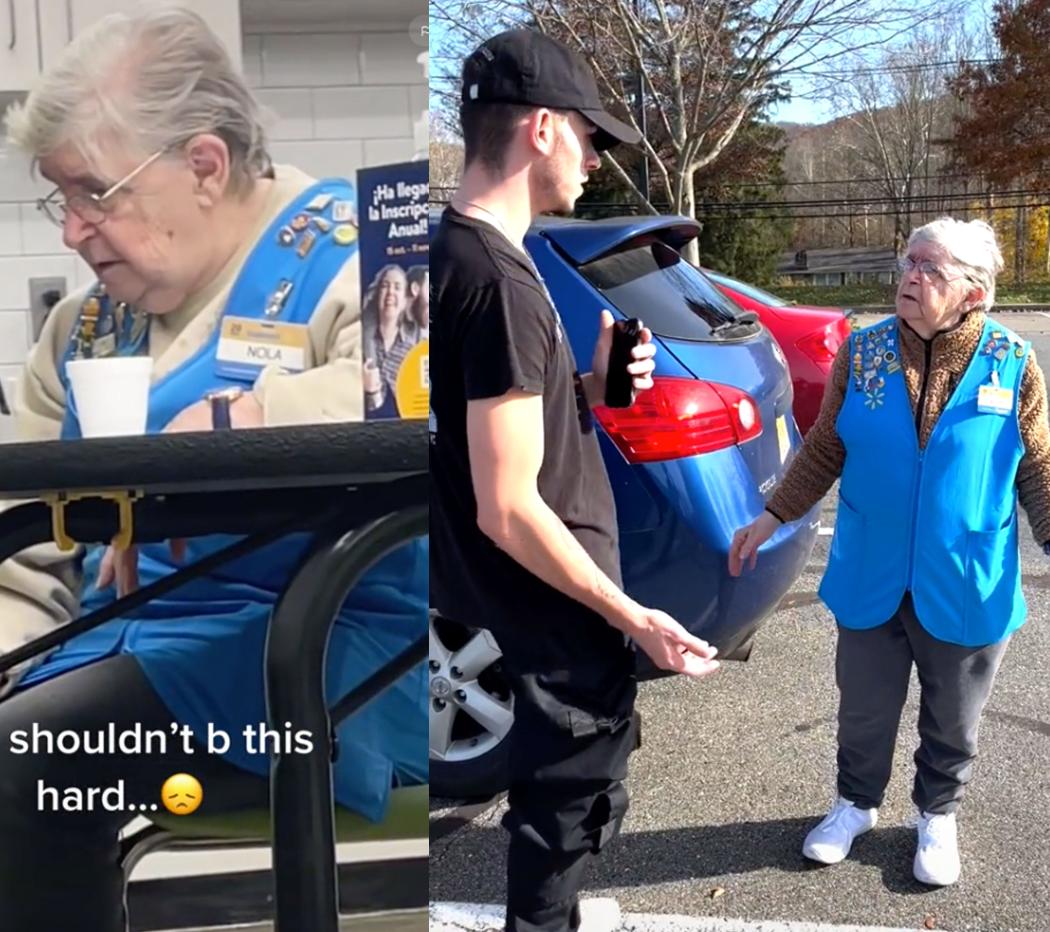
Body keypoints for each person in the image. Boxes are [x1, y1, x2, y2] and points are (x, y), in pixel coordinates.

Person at [0, 9, 426, 932]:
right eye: (58, 199)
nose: (71, 231)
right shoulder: (83, 331)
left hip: (324, 661)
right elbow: (25, 557)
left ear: (206, 166)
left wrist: (262, 414)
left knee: (23, 764)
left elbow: (429, 395)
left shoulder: (362, 258)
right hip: (127, 653)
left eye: (94, 193)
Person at [430, 28, 720, 932]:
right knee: (561, 829)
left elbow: (483, 429)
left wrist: (587, 386)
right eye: (591, 138)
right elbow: (509, 504)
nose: (595, 160)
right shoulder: (501, 281)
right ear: (543, 129)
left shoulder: (454, 254)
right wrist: (632, 617)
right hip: (549, 625)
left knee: (556, 825)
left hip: (506, 608)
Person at [730, 216, 1050, 887]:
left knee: (954, 717)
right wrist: (770, 517)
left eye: (931, 269)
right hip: (870, 571)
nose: (910, 276)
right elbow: (825, 446)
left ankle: (937, 815)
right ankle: (854, 804)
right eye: (909, 262)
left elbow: (1039, 466)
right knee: (863, 708)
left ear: (975, 293)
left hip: (966, 576)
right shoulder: (864, 351)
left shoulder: (1013, 362)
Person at [362, 263, 416, 415]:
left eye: (397, 287)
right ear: (377, 293)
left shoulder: (412, 350)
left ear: (405, 301)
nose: (390, 292)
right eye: (385, 286)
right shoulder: (359, 343)